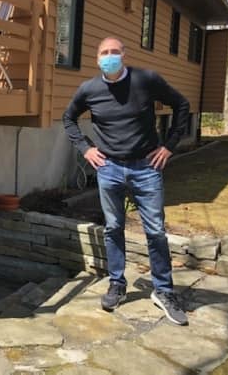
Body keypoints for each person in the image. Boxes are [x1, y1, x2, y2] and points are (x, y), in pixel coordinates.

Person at [63, 37, 190, 326]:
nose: (109, 57)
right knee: (113, 227)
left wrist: (169, 145)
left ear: (124, 54)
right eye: (104, 53)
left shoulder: (146, 80)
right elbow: (68, 119)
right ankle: (117, 284)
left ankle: (163, 290)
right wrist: (86, 149)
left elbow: (182, 105)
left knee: (156, 230)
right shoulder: (89, 89)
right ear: (97, 59)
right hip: (108, 168)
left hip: (146, 166)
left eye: (114, 52)